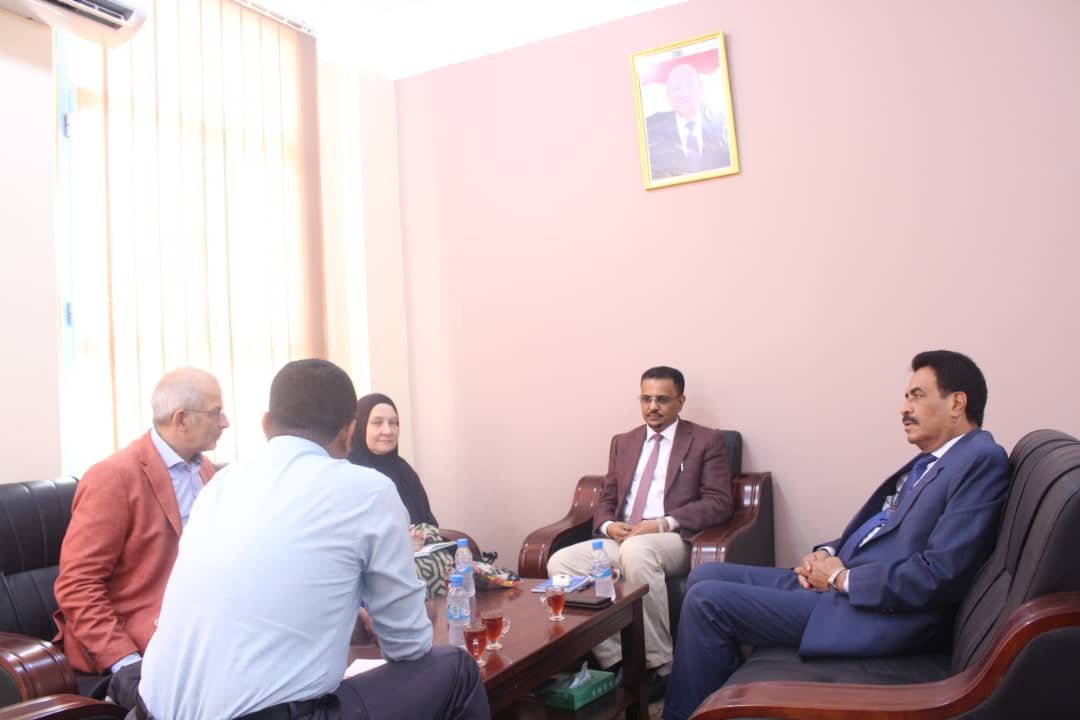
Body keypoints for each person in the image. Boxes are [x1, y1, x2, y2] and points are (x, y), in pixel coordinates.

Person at [662, 351, 1011, 720]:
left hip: (879, 613)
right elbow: (883, 527)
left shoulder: (979, 460)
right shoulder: (936, 461)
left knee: (707, 602)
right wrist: (827, 554)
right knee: (704, 574)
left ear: (957, 403)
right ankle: (720, 701)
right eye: (906, 397)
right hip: (846, 587)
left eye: (917, 396)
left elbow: (939, 573)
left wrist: (841, 578)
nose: (904, 408)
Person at [137, 359, 489, 720]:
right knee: (457, 670)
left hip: (148, 710)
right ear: (349, 432)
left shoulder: (219, 485)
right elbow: (408, 643)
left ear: (265, 424)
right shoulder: (368, 491)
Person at [547, 366, 732, 701]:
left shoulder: (705, 440)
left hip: (672, 539)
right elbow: (607, 497)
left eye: (662, 399)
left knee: (638, 551)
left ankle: (661, 666)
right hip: (623, 537)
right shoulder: (625, 442)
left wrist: (662, 523)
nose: (652, 407)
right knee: (562, 562)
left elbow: (719, 502)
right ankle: (621, 659)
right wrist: (608, 525)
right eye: (646, 399)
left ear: (680, 401)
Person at [52, 367, 227, 684]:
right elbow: (78, 585)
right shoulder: (113, 477)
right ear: (181, 419)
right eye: (216, 413)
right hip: (135, 648)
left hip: (196, 637)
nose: (225, 423)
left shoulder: (204, 470)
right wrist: (126, 663)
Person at [348, 393, 437, 527]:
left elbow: (429, 523)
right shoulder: (349, 474)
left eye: (393, 423)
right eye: (377, 423)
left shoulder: (404, 471)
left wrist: (422, 534)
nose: (388, 431)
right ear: (359, 427)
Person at [645, 63, 731, 179]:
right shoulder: (650, 129)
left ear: (701, 88)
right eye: (677, 88)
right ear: (668, 94)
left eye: (690, 86)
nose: (684, 93)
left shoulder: (723, 121)